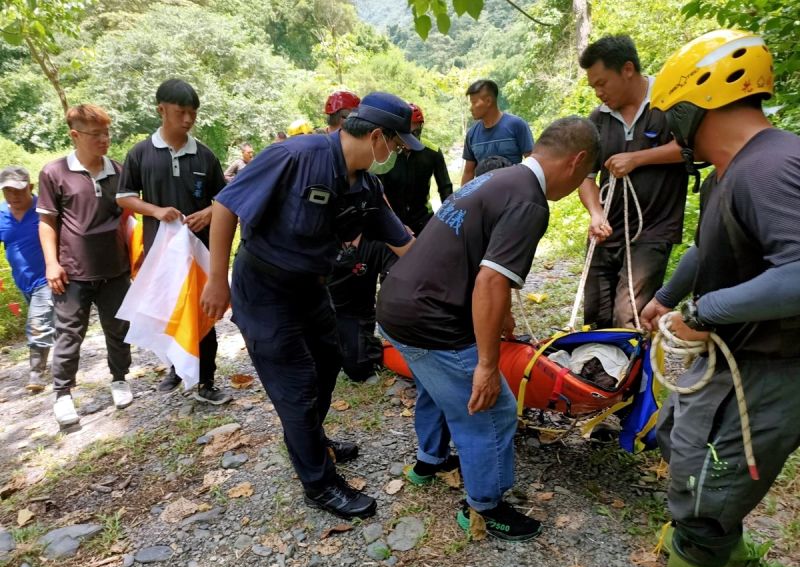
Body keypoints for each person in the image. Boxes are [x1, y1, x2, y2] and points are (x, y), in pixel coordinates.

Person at [200, 92, 421, 520]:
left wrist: (460, 269)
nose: (393, 154)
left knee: (327, 361)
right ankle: (318, 484)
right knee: (296, 386)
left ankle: (310, 441)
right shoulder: (294, 156)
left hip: (312, 288)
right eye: (394, 145)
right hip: (263, 289)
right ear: (377, 135)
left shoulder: (367, 187)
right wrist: (216, 279)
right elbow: (225, 206)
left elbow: (406, 245)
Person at [377, 116, 600, 541]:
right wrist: (485, 363)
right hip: (429, 317)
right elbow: (491, 282)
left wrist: (501, 319)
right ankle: (485, 507)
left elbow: (480, 264)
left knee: (436, 382)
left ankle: (430, 460)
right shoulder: (529, 201)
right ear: (577, 161)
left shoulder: (496, 179)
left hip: (397, 303)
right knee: (490, 409)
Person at [640, 30, 800, 567]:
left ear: (692, 106)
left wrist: (704, 313)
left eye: (671, 118)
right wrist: (666, 298)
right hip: (736, 356)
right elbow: (709, 250)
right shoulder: (729, 173)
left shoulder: (772, 166)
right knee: (680, 442)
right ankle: (715, 545)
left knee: (711, 487)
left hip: (767, 367)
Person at [116, 78, 230, 405]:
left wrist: (208, 213)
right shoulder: (140, 153)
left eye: (192, 113)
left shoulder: (204, 156)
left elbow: (224, 200)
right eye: (181, 112)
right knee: (166, 313)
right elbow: (124, 197)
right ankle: (175, 370)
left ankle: (207, 380)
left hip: (199, 253)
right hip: (160, 255)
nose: (188, 119)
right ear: (161, 110)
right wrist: (155, 210)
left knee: (203, 316)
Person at [577, 35, 688, 329]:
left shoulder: (669, 103)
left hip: (653, 229)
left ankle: (634, 374)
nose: (598, 92)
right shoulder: (598, 120)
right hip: (607, 229)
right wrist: (596, 213)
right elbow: (586, 179)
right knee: (596, 315)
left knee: (630, 317)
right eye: (593, 86)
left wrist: (637, 158)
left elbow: (690, 148)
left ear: (627, 69)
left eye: (602, 83)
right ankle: (595, 374)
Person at [38, 104, 133, 427]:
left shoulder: (118, 171)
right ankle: (63, 394)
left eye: (107, 132)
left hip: (116, 268)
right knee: (68, 334)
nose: (104, 139)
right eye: (96, 134)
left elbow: (128, 217)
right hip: (72, 271)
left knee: (119, 327)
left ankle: (120, 379)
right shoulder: (55, 173)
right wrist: (51, 263)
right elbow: (47, 222)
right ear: (75, 135)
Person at [0, 166, 55, 393]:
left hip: (48, 278)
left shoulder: (45, 208)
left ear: (30, 188)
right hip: (23, 281)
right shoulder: (2, 214)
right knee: (51, 322)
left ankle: (36, 373)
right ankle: (66, 355)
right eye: (7, 191)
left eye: (18, 190)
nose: (13, 196)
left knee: (38, 323)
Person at [328, 235, 396, 383]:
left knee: (358, 370)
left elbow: (396, 277)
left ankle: (369, 347)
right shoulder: (316, 234)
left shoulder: (378, 238)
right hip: (321, 311)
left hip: (356, 314)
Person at [379, 103, 453, 235]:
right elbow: (378, 191)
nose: (409, 139)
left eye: (415, 133)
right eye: (405, 134)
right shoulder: (387, 151)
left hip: (423, 218)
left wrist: (449, 220)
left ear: (421, 128)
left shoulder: (432, 151)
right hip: (393, 219)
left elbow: (445, 188)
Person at [461, 79, 534, 184]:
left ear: (488, 101)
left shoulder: (516, 125)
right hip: (485, 195)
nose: (471, 108)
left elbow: (531, 162)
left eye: (474, 103)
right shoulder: (472, 134)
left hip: (514, 193)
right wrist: (461, 198)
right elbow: (468, 172)